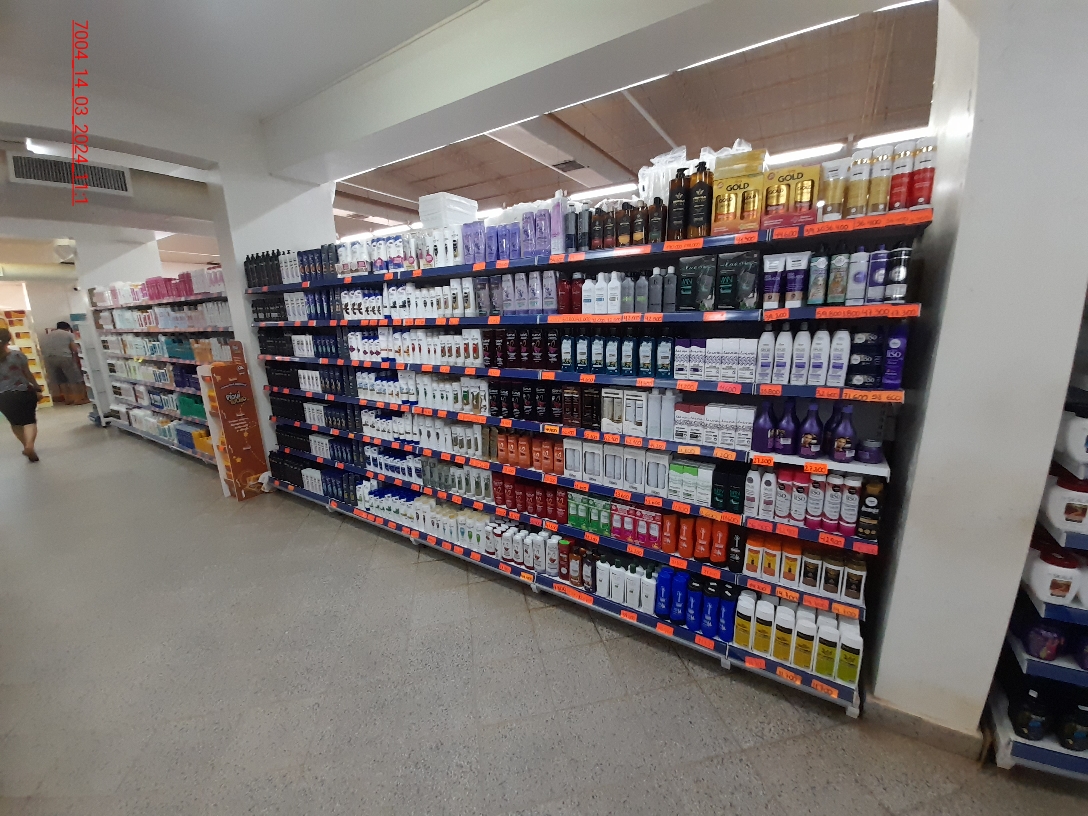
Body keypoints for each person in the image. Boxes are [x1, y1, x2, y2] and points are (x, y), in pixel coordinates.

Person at [0, 326, 42, 461]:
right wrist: (37, 388)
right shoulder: (17, 355)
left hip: (3, 396)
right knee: (29, 420)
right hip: (24, 392)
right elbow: (27, 374)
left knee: (15, 423)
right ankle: (30, 445)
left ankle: (25, 445)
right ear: (9, 339)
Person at [41, 321, 85, 405]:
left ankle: (67, 399)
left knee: (61, 379)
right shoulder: (68, 334)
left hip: (48, 359)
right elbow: (74, 348)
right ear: (67, 328)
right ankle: (78, 399)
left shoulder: (47, 336)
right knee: (73, 378)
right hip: (64, 357)